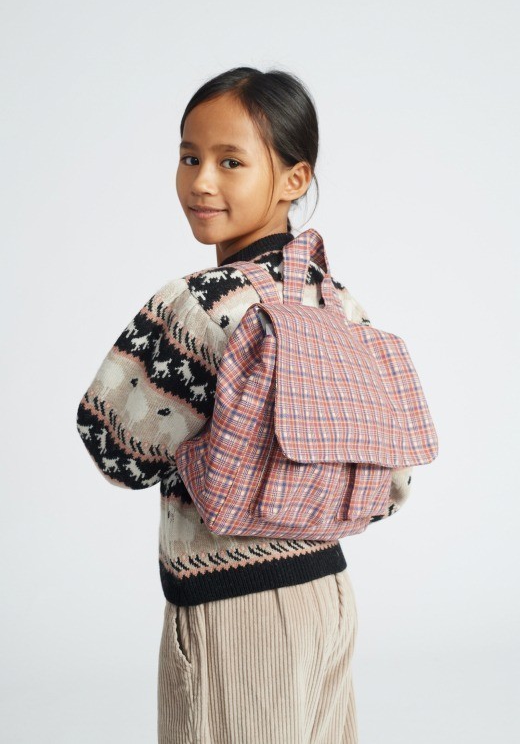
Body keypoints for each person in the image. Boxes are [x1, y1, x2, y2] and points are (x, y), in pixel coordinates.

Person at [76, 66, 413, 744]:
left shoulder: (200, 304)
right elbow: (393, 485)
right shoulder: (339, 304)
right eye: (189, 157)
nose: (202, 181)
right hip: (328, 596)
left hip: (232, 610)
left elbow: (112, 447)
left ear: (294, 179)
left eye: (231, 161)